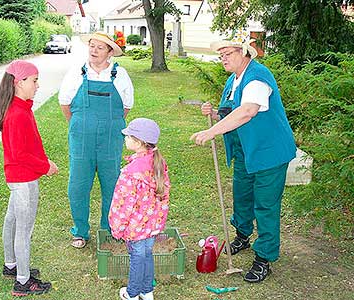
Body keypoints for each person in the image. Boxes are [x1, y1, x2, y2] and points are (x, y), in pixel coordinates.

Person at [190, 37, 296, 283]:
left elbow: (248, 111)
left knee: (266, 205)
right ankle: (242, 236)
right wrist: (214, 114)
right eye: (221, 55)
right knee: (242, 196)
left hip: (269, 152)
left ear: (244, 53)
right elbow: (232, 112)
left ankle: (264, 258)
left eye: (228, 53)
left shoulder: (258, 77)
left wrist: (211, 132)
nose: (223, 58)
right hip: (245, 151)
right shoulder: (232, 80)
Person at [59, 31, 134, 248]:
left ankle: (109, 229)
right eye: (91, 46)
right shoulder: (76, 72)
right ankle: (80, 231)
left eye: (100, 47)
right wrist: (81, 124)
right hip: (81, 138)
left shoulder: (120, 75)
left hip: (111, 138)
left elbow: (126, 107)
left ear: (110, 52)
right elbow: (65, 102)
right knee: (78, 185)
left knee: (111, 183)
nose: (93, 50)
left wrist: (106, 123)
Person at [0, 60, 59, 296]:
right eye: (34, 80)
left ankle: (11, 264)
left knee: (12, 220)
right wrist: (45, 166)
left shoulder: (20, 107)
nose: (38, 85)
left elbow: (27, 145)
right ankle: (22, 281)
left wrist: (43, 160)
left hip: (19, 177)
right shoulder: (17, 113)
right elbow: (20, 154)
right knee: (24, 228)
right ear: (19, 83)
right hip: (23, 179)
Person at [109, 118, 170, 300]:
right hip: (152, 225)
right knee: (146, 255)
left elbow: (122, 205)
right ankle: (147, 291)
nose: (125, 138)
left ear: (138, 142)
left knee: (137, 257)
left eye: (128, 136)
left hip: (135, 228)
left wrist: (117, 228)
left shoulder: (130, 173)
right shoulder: (158, 164)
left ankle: (132, 293)